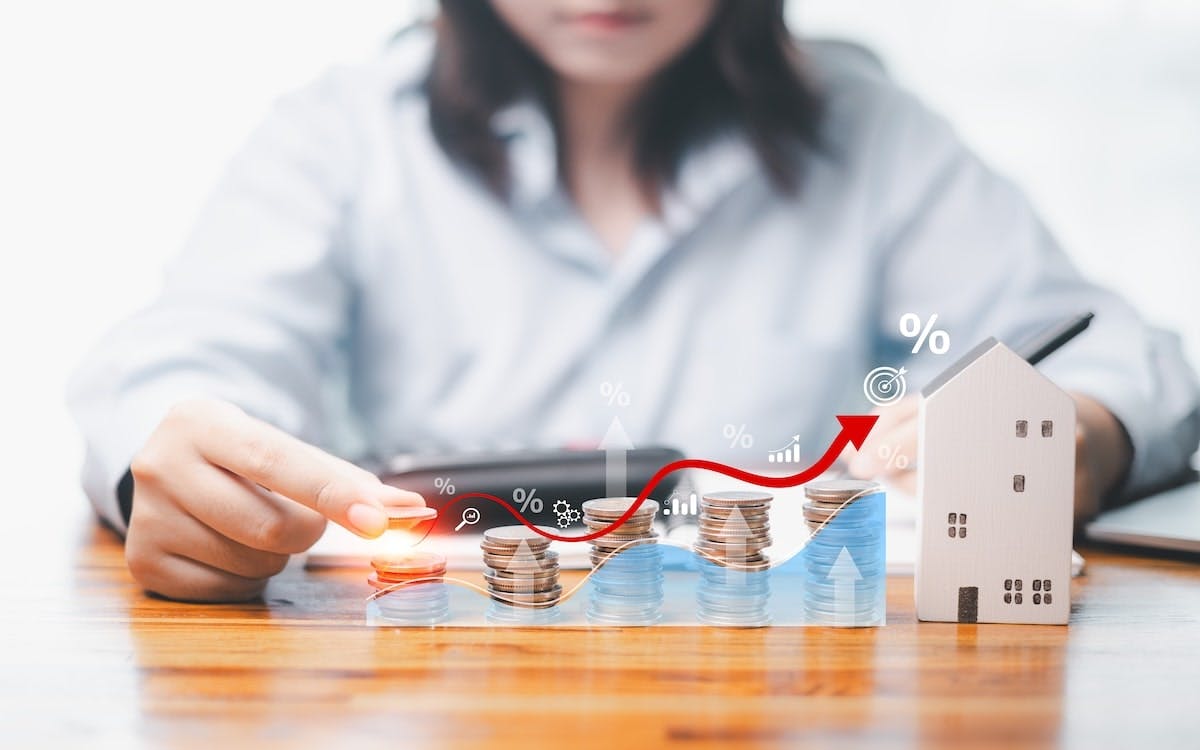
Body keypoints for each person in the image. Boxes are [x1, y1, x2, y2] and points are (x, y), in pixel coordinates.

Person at [69, 0, 1200, 602]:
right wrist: (170, 472)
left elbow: (1119, 352)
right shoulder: (344, 132)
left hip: (775, 690)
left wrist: (1075, 433)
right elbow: (189, 361)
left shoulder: (871, 134)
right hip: (428, 673)